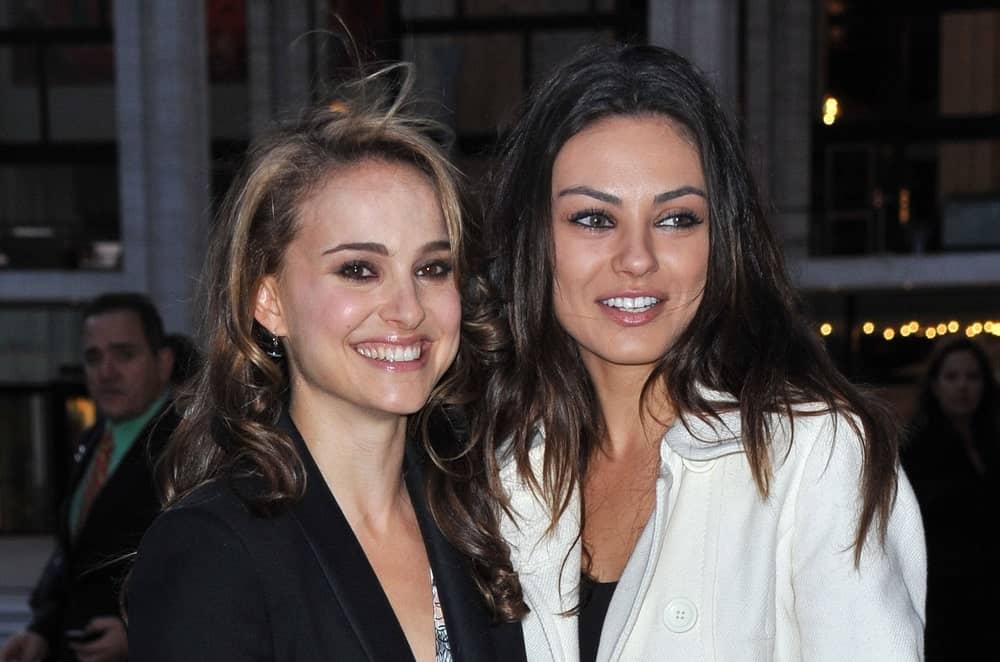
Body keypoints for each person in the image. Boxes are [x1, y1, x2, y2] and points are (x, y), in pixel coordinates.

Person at [437, 44, 926, 661]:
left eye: (675, 220)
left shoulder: (815, 451)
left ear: (721, 240)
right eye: (592, 219)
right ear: (534, 237)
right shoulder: (500, 469)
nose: (636, 257)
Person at [125, 64, 525, 662]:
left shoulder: (480, 524)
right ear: (270, 301)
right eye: (359, 270)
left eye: (432, 268)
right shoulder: (213, 548)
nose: (408, 309)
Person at [1, 292, 176, 662]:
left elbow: (204, 567)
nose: (106, 371)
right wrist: (42, 631)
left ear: (163, 363)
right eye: (94, 357)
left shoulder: (189, 445)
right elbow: (75, 558)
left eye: (124, 354)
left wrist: (143, 631)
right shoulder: (95, 440)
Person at [902, 338, 998, 660]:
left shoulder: (992, 442)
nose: (963, 387)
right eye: (952, 377)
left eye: (972, 377)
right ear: (935, 385)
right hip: (943, 600)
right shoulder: (915, 451)